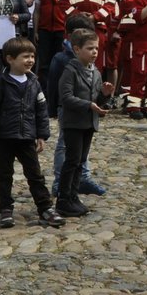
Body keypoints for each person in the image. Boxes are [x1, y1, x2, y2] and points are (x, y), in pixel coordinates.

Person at [0, 37, 62, 228]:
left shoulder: (34, 83)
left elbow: (41, 111)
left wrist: (42, 135)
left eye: (32, 56)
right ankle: (6, 209)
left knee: (35, 175)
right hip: (4, 138)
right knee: (4, 176)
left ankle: (45, 208)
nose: (30, 60)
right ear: (10, 59)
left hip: (27, 138)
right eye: (25, 56)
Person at [52, 29, 105, 217]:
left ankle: (74, 196)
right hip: (73, 122)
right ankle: (64, 199)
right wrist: (88, 105)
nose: (95, 52)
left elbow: (97, 98)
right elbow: (66, 97)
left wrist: (105, 96)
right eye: (90, 48)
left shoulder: (95, 72)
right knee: (72, 161)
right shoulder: (70, 70)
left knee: (81, 161)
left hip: (89, 123)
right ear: (76, 49)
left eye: (96, 48)